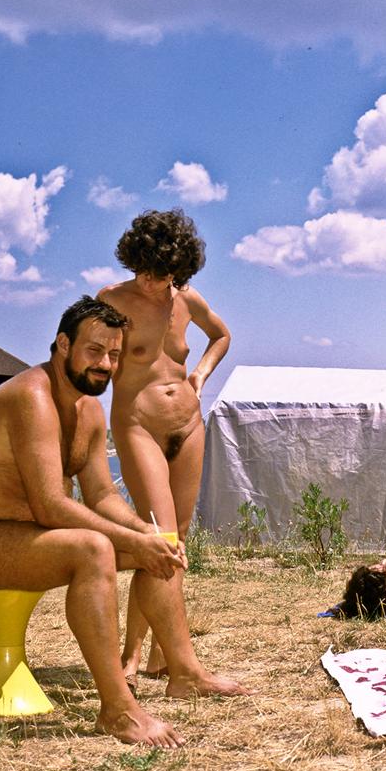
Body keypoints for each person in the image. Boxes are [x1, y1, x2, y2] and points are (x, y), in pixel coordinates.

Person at [0, 297, 249, 747]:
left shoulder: (88, 410)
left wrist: (145, 534)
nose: (105, 364)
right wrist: (130, 539)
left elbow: (101, 494)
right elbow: (51, 505)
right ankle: (118, 710)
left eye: (114, 355)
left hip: (25, 533)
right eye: (95, 350)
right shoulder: (32, 397)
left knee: (159, 539)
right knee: (93, 548)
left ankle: (185, 672)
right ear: (63, 344)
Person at [98, 209, 231, 687]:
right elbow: (89, 355)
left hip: (189, 424)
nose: (151, 281)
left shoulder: (187, 299)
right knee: (160, 539)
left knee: (178, 538)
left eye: (161, 274)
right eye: (144, 271)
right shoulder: (112, 300)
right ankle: (133, 657)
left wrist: (199, 375)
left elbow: (221, 336)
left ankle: (160, 654)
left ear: (178, 269)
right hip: (139, 426)